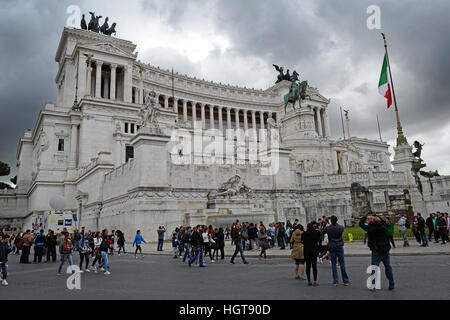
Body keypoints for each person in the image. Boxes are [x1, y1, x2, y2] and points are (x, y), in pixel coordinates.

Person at [359, 213, 395, 291]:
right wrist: (379, 219)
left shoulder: (371, 228)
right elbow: (383, 223)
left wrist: (365, 216)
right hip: (385, 249)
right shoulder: (384, 226)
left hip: (377, 250)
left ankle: (373, 285)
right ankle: (392, 285)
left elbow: (361, 224)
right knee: (388, 267)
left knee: (374, 268)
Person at [323, 216, 350, 286]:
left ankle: (336, 281)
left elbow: (322, 231)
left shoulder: (328, 228)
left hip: (332, 246)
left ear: (331, 221)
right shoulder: (341, 227)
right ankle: (345, 280)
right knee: (342, 263)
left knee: (333, 264)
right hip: (339, 246)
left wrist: (325, 224)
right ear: (337, 220)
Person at [302, 222, 321, 286]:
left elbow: (302, 241)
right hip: (314, 251)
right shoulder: (317, 233)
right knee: (314, 266)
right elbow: (319, 241)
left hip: (307, 251)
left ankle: (309, 281)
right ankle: (315, 281)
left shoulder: (304, 233)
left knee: (308, 266)